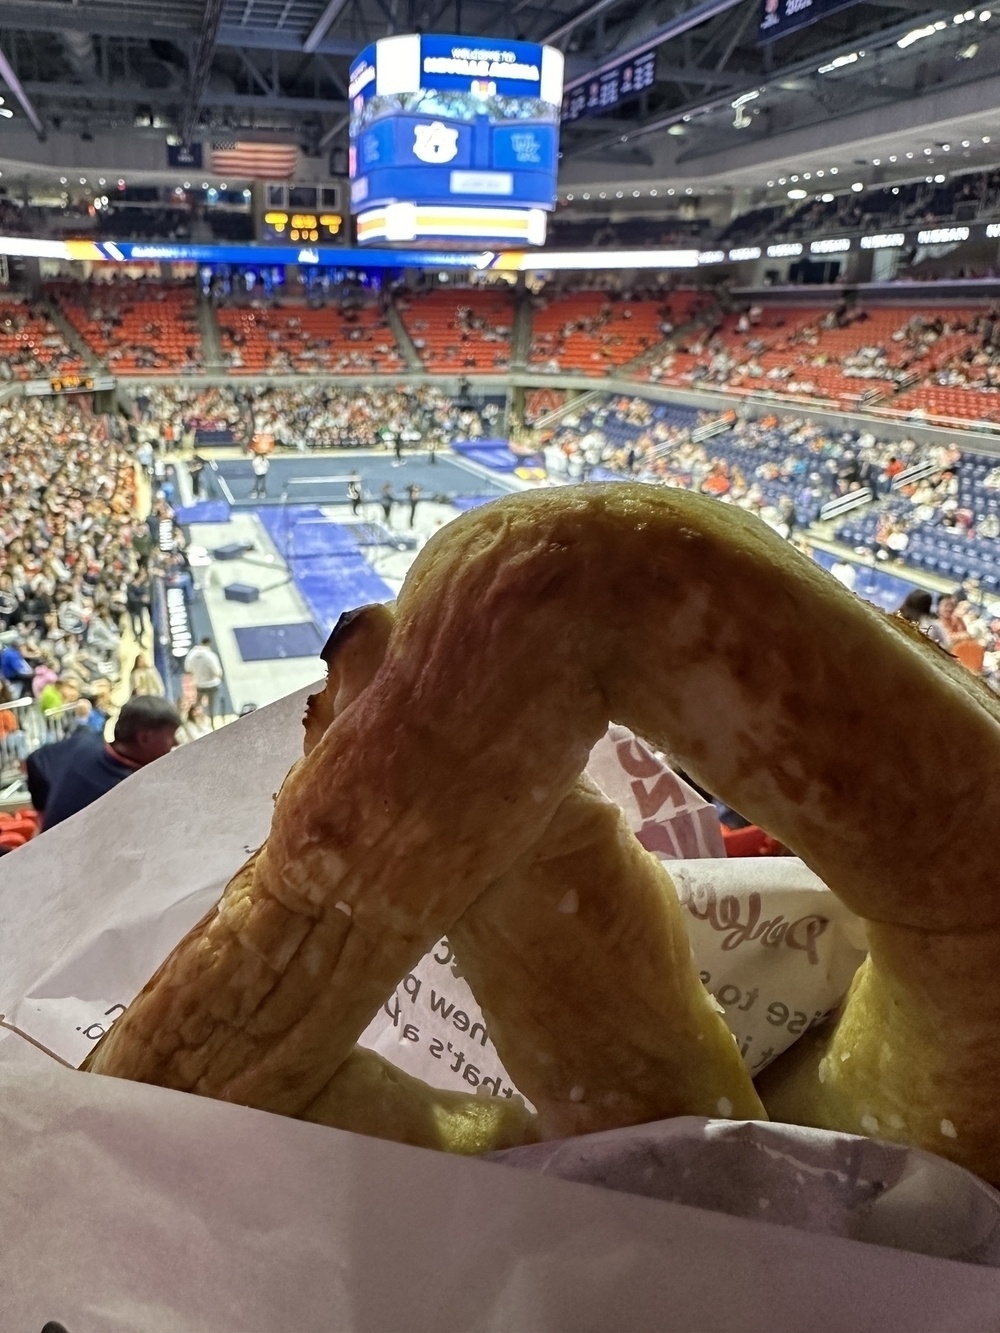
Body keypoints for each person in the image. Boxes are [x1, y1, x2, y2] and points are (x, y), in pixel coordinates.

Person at [31, 695, 181, 831]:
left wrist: (43, 817)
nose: (175, 742)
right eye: (171, 736)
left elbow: (35, 760)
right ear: (144, 739)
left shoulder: (83, 743)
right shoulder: (127, 791)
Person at [184, 636, 224, 723]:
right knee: (212, 705)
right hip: (212, 685)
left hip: (200, 685)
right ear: (208, 644)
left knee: (197, 703)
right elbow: (217, 672)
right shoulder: (211, 656)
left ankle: (192, 720)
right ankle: (212, 722)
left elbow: (188, 669)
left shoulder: (192, 654)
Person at [126, 569, 151, 641]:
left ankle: (142, 633)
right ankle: (135, 635)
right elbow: (131, 598)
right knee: (133, 623)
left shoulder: (142, 585)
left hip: (139, 607)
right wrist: (141, 598)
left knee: (142, 622)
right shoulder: (130, 586)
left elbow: (145, 593)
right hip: (132, 608)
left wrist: (146, 597)